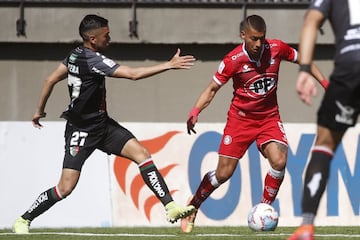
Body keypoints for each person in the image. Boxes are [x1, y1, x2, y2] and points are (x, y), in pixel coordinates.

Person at [12, 14, 196, 234]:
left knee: (142, 154)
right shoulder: (94, 59)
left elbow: (50, 79)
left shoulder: (74, 55)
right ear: (92, 39)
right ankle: (24, 219)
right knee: (65, 188)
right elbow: (132, 74)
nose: (109, 39)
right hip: (81, 131)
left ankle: (171, 206)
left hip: (103, 125)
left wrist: (38, 110)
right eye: (105, 35)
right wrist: (168, 65)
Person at [180, 14, 328, 233]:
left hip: (269, 118)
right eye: (254, 39)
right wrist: (195, 111)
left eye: (262, 38)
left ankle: (264, 210)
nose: (259, 43)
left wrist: (326, 83)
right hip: (240, 121)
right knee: (223, 174)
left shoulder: (276, 48)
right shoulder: (233, 60)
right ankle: (193, 206)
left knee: (279, 160)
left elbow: (304, 59)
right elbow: (212, 89)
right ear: (243, 36)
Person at [288, 0, 360, 239]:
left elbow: (311, 20)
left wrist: (305, 69)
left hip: (350, 66)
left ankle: (307, 225)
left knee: (325, 145)